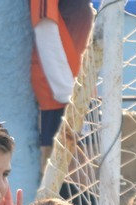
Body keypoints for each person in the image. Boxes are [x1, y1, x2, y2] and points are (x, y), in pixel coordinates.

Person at [32, 0, 94, 168]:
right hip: (61, 95)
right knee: (69, 170)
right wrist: (68, 94)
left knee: (88, 167)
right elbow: (45, 30)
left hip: (79, 89)